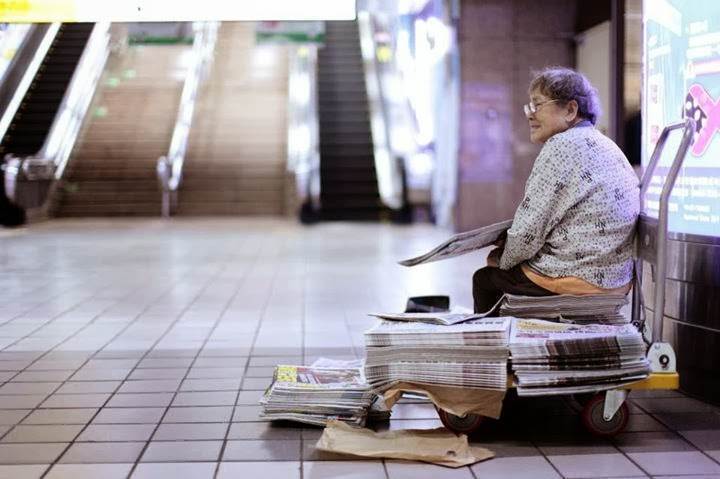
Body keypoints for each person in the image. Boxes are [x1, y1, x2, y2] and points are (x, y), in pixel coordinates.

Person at [473, 67, 640, 314]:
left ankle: (493, 346)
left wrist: (504, 260)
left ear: (571, 110)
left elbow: (529, 230)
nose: (530, 115)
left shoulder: (560, 146)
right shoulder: (606, 144)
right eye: (529, 106)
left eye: (538, 105)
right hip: (617, 280)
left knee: (486, 279)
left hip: (577, 278)